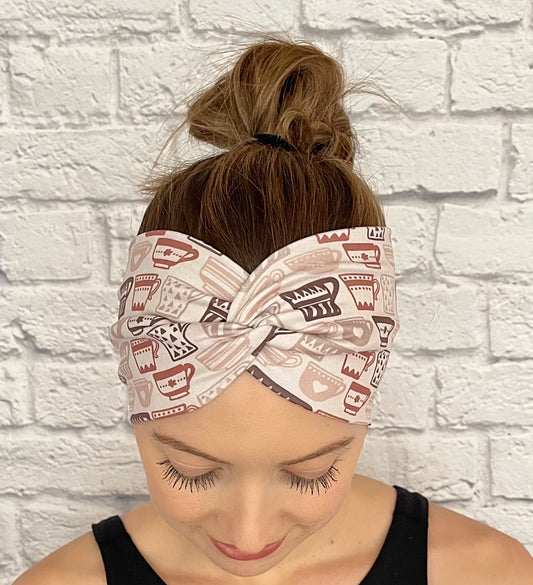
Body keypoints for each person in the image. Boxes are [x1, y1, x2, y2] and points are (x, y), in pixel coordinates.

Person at [14, 34, 533, 585]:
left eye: (312, 474)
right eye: (189, 471)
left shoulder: (485, 574)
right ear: (136, 406)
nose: (248, 535)